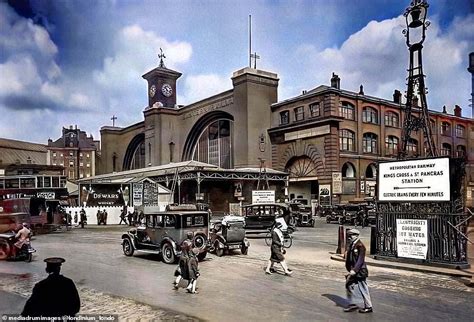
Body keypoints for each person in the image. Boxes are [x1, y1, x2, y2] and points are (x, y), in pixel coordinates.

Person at [344, 228, 373, 314]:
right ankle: (353, 304)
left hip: (360, 271)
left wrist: (354, 270)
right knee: (349, 285)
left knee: (363, 288)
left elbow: (360, 260)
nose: (349, 237)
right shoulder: (352, 244)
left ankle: (368, 306)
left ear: (356, 236)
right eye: (349, 236)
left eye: (351, 235)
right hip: (353, 271)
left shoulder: (360, 246)